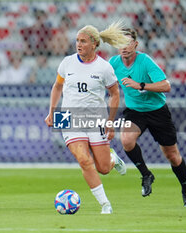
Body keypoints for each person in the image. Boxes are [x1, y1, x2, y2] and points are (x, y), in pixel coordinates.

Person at [45, 22, 129, 214]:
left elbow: (115, 94)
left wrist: (110, 121)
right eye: (77, 41)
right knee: (83, 159)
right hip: (68, 117)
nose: (78, 44)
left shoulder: (104, 68)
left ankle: (112, 159)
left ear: (94, 44)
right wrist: (52, 111)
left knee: (104, 168)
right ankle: (105, 204)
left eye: (83, 41)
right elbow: (57, 86)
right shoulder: (67, 63)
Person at [109, 28, 186, 207]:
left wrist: (140, 85)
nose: (124, 47)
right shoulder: (113, 63)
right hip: (135, 111)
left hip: (157, 111)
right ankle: (146, 174)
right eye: (120, 44)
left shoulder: (145, 61)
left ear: (135, 44)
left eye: (127, 43)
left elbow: (166, 86)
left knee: (172, 155)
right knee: (126, 140)